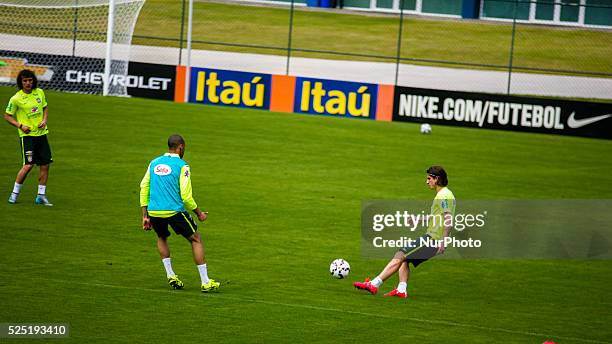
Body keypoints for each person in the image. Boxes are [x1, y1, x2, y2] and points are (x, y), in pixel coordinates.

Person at [354, 166, 455, 298]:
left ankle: (374, 284)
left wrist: (443, 241)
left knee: (400, 255)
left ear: (437, 179)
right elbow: (438, 216)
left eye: (429, 178)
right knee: (405, 260)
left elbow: (448, 219)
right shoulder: (444, 194)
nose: (427, 182)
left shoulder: (443, 196)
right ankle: (401, 290)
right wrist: (419, 220)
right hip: (433, 238)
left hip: (432, 239)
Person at [139, 134, 220, 292]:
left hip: (154, 211)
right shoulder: (183, 166)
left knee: (162, 237)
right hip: (174, 211)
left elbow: (144, 187)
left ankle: (171, 275)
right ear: (181, 147)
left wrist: (145, 215)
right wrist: (199, 213)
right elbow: (186, 196)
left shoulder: (154, 163)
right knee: (196, 239)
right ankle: (205, 281)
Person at [4, 69, 53, 206]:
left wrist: (44, 120)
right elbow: (7, 116)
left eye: (30, 80)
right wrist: (20, 125)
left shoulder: (40, 92)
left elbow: (45, 107)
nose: (28, 83)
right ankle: (14, 194)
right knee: (28, 165)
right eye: (25, 81)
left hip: (42, 135)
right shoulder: (16, 98)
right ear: (20, 82)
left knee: (45, 164)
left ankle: (41, 196)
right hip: (28, 137)